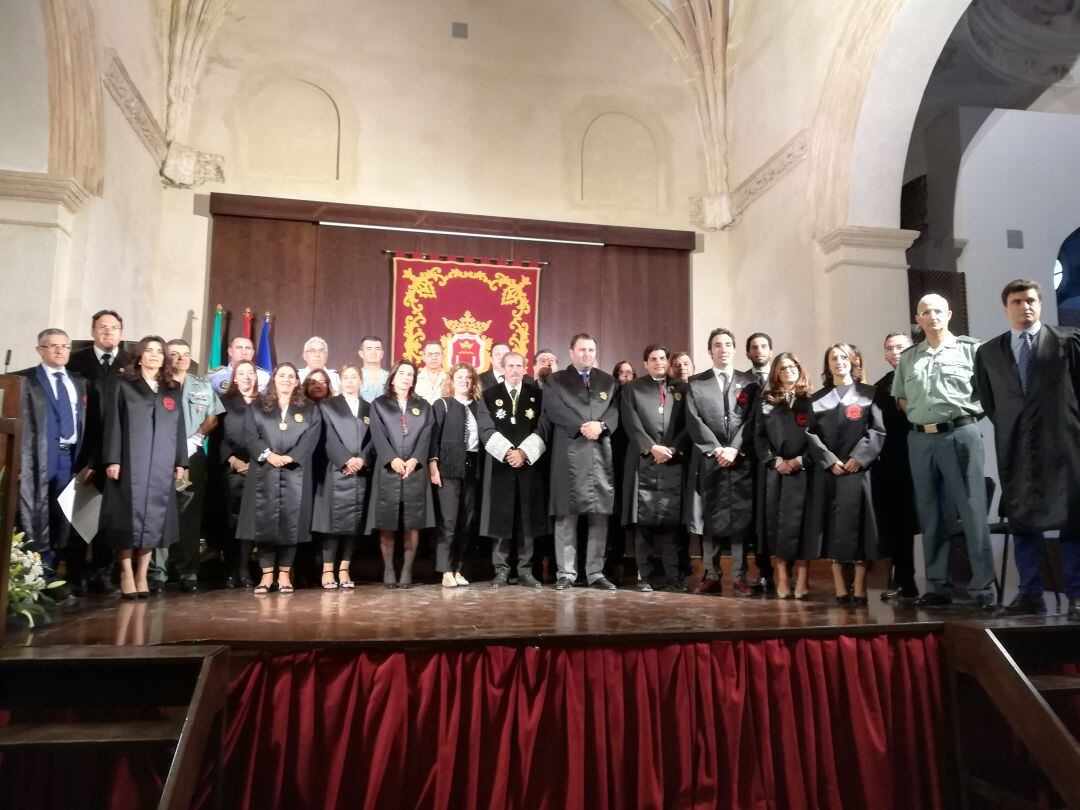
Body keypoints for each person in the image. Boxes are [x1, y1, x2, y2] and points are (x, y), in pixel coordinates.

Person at [975, 279, 1080, 619]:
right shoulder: (988, 352)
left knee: (1073, 519)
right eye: (1017, 302)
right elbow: (991, 403)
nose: (1025, 307)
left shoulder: (1068, 341)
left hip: (1064, 443)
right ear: (1006, 308)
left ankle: (1077, 593)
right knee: (1022, 519)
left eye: (1031, 300)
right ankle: (1030, 593)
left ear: (1041, 304)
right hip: (1016, 446)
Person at [892, 293, 997, 610]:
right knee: (930, 513)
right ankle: (938, 586)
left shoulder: (970, 349)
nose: (932, 316)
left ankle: (982, 588)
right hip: (921, 440)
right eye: (925, 312)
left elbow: (986, 393)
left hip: (960, 434)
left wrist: (956, 416)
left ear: (949, 314)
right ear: (918, 318)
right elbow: (902, 399)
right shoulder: (909, 357)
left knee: (972, 510)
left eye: (938, 310)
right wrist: (925, 419)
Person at [99, 336, 188, 598]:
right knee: (128, 517)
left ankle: (142, 574)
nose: (154, 355)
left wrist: (180, 461)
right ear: (139, 356)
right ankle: (126, 571)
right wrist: (113, 458)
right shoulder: (125, 384)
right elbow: (113, 423)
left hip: (161, 463)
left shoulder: (171, 387)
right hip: (130, 462)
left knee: (154, 519)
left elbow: (179, 427)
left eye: (159, 351)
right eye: (148, 351)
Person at [805, 344, 885, 605]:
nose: (838, 362)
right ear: (827, 365)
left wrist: (858, 458)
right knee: (833, 530)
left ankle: (860, 588)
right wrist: (829, 460)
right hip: (830, 473)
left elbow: (877, 431)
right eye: (833, 358)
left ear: (853, 361)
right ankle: (840, 588)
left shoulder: (868, 394)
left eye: (843, 357)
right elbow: (811, 434)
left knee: (861, 530)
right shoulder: (817, 399)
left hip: (858, 472)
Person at [237, 362, 322, 595]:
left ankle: (284, 575)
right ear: (274, 379)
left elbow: (311, 438)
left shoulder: (309, 409)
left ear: (296, 381)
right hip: (264, 471)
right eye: (282, 375)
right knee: (264, 525)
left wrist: (291, 457)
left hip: (296, 472)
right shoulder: (258, 406)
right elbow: (250, 436)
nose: (286, 379)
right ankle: (266, 576)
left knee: (290, 525)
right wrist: (269, 455)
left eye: (291, 376)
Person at [542, 333, 620, 591]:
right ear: (571, 351)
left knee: (599, 516)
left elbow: (615, 410)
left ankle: (595, 572)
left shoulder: (608, 381)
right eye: (582, 350)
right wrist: (581, 426)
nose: (587, 354)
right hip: (568, 451)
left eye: (591, 350)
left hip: (600, 452)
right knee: (566, 515)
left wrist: (601, 425)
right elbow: (554, 410)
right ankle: (566, 572)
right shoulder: (555, 380)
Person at [147, 339, 225, 593]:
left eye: (186, 354)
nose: (181, 359)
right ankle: (157, 573)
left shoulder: (202, 384)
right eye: (175, 354)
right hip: (159, 458)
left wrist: (197, 438)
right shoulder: (155, 384)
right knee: (159, 515)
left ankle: (188, 571)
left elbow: (213, 416)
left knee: (189, 517)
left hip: (193, 457)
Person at [685, 328, 757, 595]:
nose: (723, 349)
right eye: (717, 345)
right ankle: (712, 574)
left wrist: (735, 448)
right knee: (710, 519)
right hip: (710, 460)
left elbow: (752, 420)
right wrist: (717, 450)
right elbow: (694, 421)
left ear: (734, 349)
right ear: (709, 351)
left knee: (739, 520)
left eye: (728, 344)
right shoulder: (696, 383)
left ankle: (739, 576)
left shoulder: (749, 382)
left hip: (739, 460)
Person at [16, 329, 87, 593]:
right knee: (37, 515)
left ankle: (53, 573)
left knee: (63, 517)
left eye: (65, 346)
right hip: (38, 459)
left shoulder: (78, 382)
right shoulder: (25, 381)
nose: (60, 351)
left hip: (70, 458)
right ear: (40, 350)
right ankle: (36, 576)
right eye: (53, 346)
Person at [65, 308, 130, 594]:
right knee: (79, 515)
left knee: (108, 517)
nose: (108, 332)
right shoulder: (75, 362)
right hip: (82, 451)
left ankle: (103, 575)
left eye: (114, 327)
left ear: (121, 333)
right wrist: (89, 458)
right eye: (102, 327)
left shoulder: (129, 365)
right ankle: (75, 575)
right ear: (93, 331)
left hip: (117, 454)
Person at [619, 344, 688, 592]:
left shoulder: (682, 388)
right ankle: (644, 576)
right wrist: (651, 447)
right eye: (652, 359)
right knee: (643, 524)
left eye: (662, 358)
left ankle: (674, 577)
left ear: (668, 361)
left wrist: (672, 448)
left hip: (673, 460)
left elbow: (688, 424)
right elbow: (631, 422)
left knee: (672, 523)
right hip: (643, 460)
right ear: (645, 364)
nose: (658, 362)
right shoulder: (632, 389)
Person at [477, 351, 547, 589]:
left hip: (529, 466)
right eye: (511, 366)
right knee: (500, 517)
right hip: (499, 466)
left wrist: (524, 453)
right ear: (502, 368)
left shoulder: (537, 396)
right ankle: (501, 570)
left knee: (527, 517)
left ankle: (526, 571)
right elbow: (485, 428)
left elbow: (543, 427)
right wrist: (508, 452)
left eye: (519, 366)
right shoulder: (488, 395)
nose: (515, 370)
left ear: (525, 369)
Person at [366, 360, 435, 588]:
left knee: (412, 522)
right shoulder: (379, 404)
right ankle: (388, 569)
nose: (406, 377)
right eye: (402, 373)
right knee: (387, 522)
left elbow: (427, 435)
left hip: (415, 471)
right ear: (393, 377)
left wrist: (415, 459)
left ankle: (406, 570)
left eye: (410, 374)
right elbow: (377, 433)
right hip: (388, 469)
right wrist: (392, 458)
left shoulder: (423, 405)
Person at [753, 353, 815, 599]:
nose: (788, 370)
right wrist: (775, 461)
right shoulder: (766, 401)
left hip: (805, 471)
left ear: (799, 369)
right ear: (775, 373)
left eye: (792, 366)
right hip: (775, 472)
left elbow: (819, 435)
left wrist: (801, 460)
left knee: (805, 528)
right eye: (782, 368)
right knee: (776, 526)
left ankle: (802, 579)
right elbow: (759, 436)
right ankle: (781, 579)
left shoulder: (812, 399)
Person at [312, 363, 373, 590]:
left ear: (361, 381)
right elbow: (326, 437)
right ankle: (328, 570)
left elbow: (374, 439)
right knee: (331, 524)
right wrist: (345, 460)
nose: (350, 380)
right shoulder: (328, 406)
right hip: (335, 471)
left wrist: (362, 460)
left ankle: (344, 568)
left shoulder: (370, 408)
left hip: (360, 473)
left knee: (353, 525)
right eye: (345, 377)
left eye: (354, 376)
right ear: (339, 381)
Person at [872, 332, 919, 600]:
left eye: (900, 347)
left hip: (926, 456)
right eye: (889, 348)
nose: (895, 352)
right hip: (895, 466)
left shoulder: (924, 376)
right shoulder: (880, 388)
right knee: (900, 527)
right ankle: (905, 582)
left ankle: (944, 586)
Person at [429, 363, 483, 587]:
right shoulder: (442, 404)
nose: (465, 381)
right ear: (452, 380)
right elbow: (433, 438)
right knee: (449, 521)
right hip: (449, 468)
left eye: (468, 377)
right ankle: (445, 570)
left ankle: (458, 567)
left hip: (473, 466)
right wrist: (433, 466)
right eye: (460, 377)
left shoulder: (480, 406)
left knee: (467, 521)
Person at [207, 359, 259, 587]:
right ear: (234, 377)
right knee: (230, 522)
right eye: (242, 373)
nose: (247, 377)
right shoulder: (224, 401)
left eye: (251, 373)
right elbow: (216, 438)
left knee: (251, 523)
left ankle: (245, 569)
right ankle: (230, 569)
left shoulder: (265, 404)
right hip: (231, 471)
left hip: (258, 470)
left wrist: (257, 462)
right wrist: (234, 461)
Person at [744, 332, 776, 594]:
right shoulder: (742, 381)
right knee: (755, 519)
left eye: (764, 346)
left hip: (779, 457)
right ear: (747, 353)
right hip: (749, 459)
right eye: (754, 347)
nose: (759, 350)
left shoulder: (783, 377)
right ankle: (763, 572)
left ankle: (785, 574)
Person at [608, 360, 636, 580]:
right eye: (621, 373)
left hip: (634, 458)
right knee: (614, 512)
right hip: (612, 460)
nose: (625, 377)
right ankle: (613, 558)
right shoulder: (609, 398)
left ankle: (633, 560)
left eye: (629, 373)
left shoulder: (638, 395)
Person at [357, 336, 389, 403]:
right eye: (369, 348)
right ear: (361, 353)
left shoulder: (390, 377)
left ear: (382, 354)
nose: (373, 352)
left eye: (377, 349)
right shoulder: (355, 376)